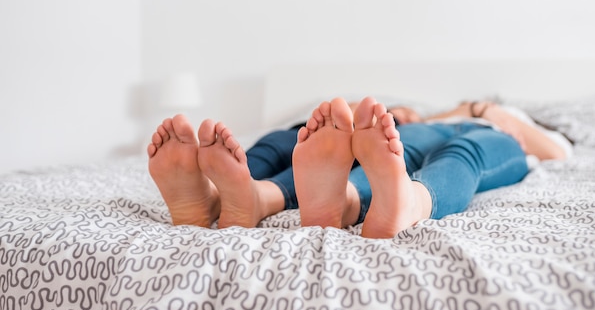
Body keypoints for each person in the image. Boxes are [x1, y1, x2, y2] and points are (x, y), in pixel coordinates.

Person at [147, 96, 572, 238]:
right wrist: (401, 116)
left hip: (484, 134)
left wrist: (484, 108)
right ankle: (242, 196)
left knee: (464, 150)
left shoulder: (505, 119)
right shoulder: (420, 118)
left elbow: (558, 153)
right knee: (291, 137)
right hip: (417, 131)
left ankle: (405, 202)